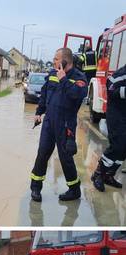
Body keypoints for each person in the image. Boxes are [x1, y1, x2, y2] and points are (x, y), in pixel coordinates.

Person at [30, 47, 88, 202]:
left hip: (66, 123)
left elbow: (78, 94)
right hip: (49, 121)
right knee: (42, 154)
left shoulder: (79, 77)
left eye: (56, 59)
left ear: (65, 61)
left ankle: (74, 190)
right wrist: (39, 112)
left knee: (66, 158)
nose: (54, 61)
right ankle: (35, 188)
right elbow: (44, 93)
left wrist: (63, 79)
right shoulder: (52, 74)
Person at [92, 64, 126, 191]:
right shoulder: (120, 74)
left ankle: (109, 175)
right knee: (117, 146)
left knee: (124, 149)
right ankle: (98, 174)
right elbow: (111, 89)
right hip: (117, 115)